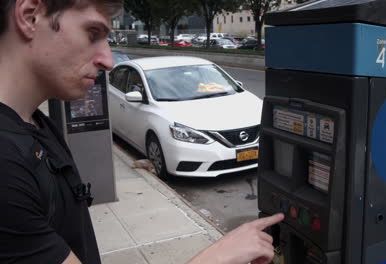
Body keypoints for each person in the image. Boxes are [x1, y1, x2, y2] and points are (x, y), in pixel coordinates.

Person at [0, 0, 284, 263]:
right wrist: (219, 256)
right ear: (30, 16)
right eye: (92, 33)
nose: (108, 61)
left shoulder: (37, 124)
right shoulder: (7, 163)